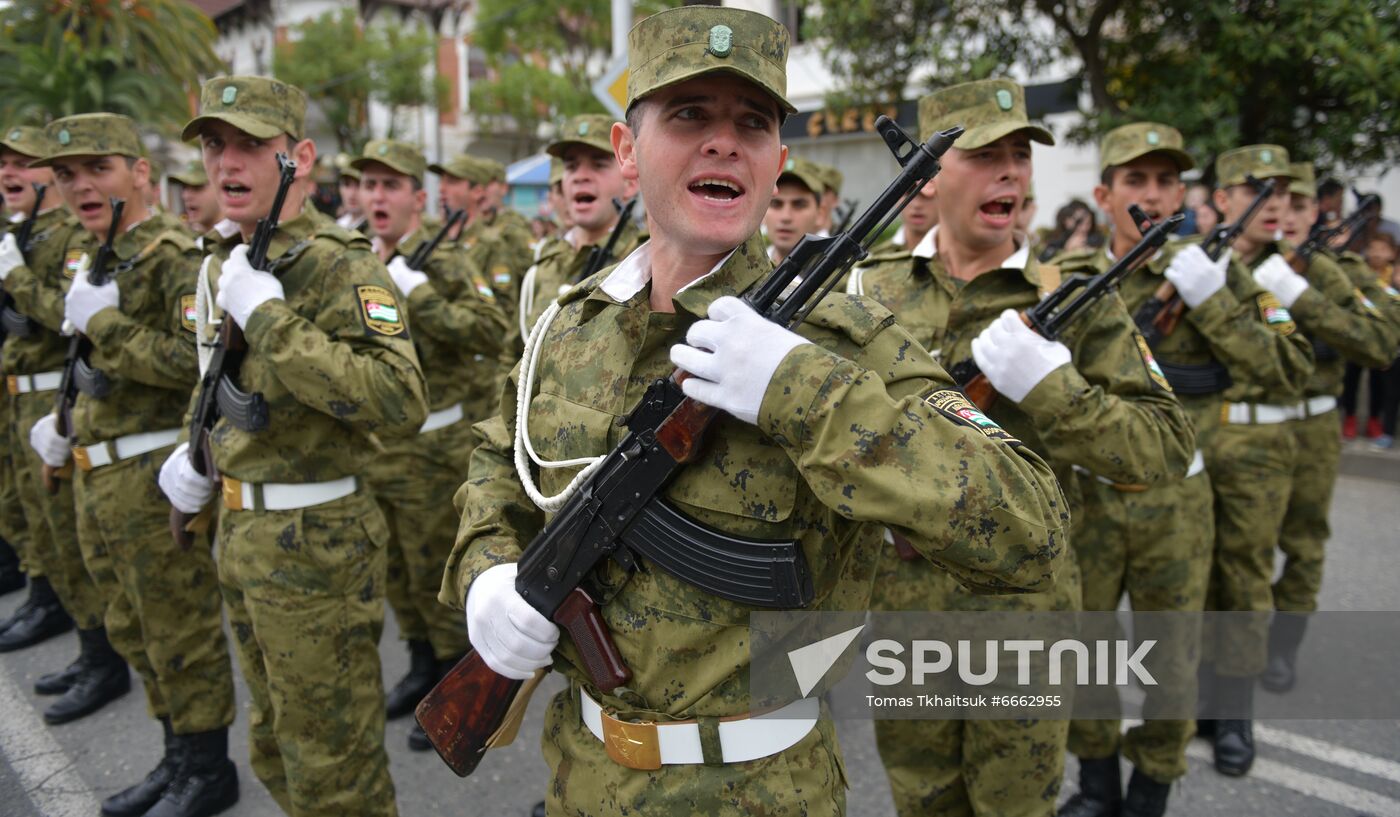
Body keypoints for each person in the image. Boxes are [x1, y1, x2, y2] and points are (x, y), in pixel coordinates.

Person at [440, 9, 1069, 815]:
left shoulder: (843, 342)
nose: (723, 142)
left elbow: (1032, 529)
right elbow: (499, 463)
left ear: (777, 161)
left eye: (754, 122)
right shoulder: (567, 326)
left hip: (765, 788)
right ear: (627, 152)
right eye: (689, 114)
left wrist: (799, 389)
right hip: (583, 778)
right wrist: (488, 572)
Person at [850, 85, 1193, 817]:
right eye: (984, 156)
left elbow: (1163, 449)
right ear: (929, 177)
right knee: (924, 800)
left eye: (1019, 156)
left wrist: (1052, 388)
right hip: (907, 609)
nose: (1009, 173)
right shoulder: (867, 290)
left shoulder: (1074, 297)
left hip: (1026, 614)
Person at [158, 75, 427, 817]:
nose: (228, 162)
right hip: (243, 535)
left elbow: (401, 400)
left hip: (320, 544)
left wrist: (272, 320)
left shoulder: (343, 265)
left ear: (299, 158)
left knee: (335, 769)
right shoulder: (224, 264)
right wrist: (194, 459)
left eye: (252, 144)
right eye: (216, 144)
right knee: (274, 745)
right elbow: (215, 379)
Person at [25, 113, 240, 817]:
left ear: (140, 173)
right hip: (98, 472)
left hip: (150, 475)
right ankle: (174, 753)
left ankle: (206, 769)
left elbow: (193, 364)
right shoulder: (94, 256)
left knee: (177, 628)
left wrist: (106, 324)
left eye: (98, 168)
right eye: (66, 175)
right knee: (132, 625)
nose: (81, 185)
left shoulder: (176, 254)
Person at [1052, 122, 1222, 817]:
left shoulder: (1211, 271)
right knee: (1086, 643)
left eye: (1164, 181)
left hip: (1175, 496)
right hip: (1090, 494)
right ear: (1104, 192)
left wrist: (1219, 300)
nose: (1150, 194)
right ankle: (1096, 781)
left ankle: (1153, 782)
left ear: (1181, 192)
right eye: (1135, 180)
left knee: (1172, 650)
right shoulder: (1067, 278)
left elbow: (1284, 365)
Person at [352, 138, 508, 751]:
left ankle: (454, 683)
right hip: (377, 444)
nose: (377, 197)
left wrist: (417, 292)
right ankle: (420, 665)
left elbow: (488, 329)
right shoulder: (354, 259)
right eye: (369, 185)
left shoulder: (445, 258)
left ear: (417, 199)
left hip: (431, 444)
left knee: (432, 570)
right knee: (395, 570)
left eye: (390, 186)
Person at [1194, 145, 1315, 776]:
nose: (1273, 204)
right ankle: (1199, 696)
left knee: (1243, 580)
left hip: (1258, 451)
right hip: (1194, 442)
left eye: (1281, 193)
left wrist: (1218, 301)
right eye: (1255, 190)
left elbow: (1290, 365)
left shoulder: (1278, 277)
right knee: (1194, 580)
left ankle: (1233, 711)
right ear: (1222, 199)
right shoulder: (1191, 261)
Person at [1256, 160, 1398, 694]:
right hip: (1249, 425)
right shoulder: (1238, 266)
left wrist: (1301, 296)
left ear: (1317, 211)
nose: (1287, 216)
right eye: (1277, 203)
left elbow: (1380, 342)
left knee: (1304, 541)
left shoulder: (1339, 270)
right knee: (1239, 546)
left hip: (1313, 423)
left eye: (1300, 204)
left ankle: (1283, 647)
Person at [0, 127, 104, 684]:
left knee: (65, 528)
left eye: (23, 164)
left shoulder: (72, 238)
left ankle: (96, 652)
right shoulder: (23, 234)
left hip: (52, 390)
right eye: (3, 164)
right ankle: (48, 600)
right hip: (18, 391)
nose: (9, 174)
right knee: (33, 517)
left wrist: (15, 276)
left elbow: (65, 317)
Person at [518, 114, 642, 336]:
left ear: (630, 183)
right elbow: (517, 354)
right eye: (571, 166)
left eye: (598, 164)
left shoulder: (646, 262)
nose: (580, 177)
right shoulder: (543, 266)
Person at [762, 156, 824, 265]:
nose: (785, 217)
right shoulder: (742, 270)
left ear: (820, 215)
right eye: (776, 204)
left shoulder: (849, 279)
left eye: (799, 205)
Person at [170, 159, 222, 235]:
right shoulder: (186, 240)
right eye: (184, 188)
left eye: (197, 187)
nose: (186, 196)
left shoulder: (240, 239)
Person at [336, 163, 365, 232]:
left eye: (359, 185)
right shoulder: (338, 224)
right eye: (347, 184)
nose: (352, 194)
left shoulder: (375, 231)